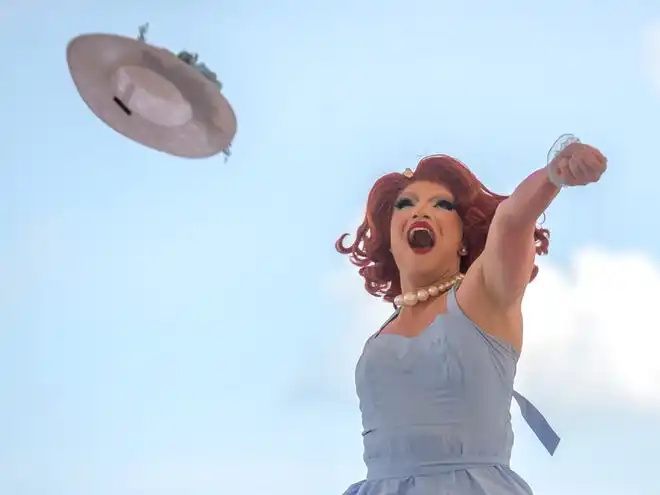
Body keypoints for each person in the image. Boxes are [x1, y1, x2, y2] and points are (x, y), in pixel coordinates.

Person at [335, 138, 607, 494]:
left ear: (463, 239)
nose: (420, 212)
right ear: (390, 235)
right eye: (406, 204)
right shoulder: (382, 334)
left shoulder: (484, 296)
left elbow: (511, 220)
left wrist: (553, 175)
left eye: (441, 205)